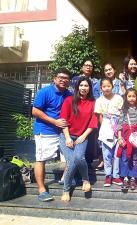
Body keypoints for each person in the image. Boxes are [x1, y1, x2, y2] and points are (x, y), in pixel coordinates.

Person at [32, 68, 72, 202]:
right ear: (54, 78)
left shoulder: (69, 94)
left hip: (62, 132)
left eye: (66, 78)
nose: (63, 80)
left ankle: (63, 179)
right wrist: (54, 121)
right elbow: (35, 111)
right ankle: (42, 190)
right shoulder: (45, 92)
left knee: (71, 156)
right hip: (45, 131)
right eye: (60, 77)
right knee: (41, 158)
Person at [59, 76, 98, 202]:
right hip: (66, 136)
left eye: (86, 85)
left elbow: (93, 122)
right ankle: (66, 190)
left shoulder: (93, 103)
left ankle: (85, 180)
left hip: (82, 137)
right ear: (77, 87)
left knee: (78, 157)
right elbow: (63, 120)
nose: (83, 88)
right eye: (81, 85)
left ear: (90, 88)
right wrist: (67, 138)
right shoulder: (69, 100)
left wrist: (83, 136)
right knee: (71, 162)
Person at [94, 78, 123, 187]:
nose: (106, 88)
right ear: (101, 88)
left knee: (117, 153)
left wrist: (118, 128)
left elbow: (121, 113)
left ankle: (116, 175)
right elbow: (99, 116)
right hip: (106, 126)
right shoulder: (99, 100)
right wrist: (104, 128)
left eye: (108, 86)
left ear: (112, 86)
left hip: (117, 124)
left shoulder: (118, 98)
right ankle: (108, 175)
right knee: (106, 154)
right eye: (104, 86)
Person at [117, 88, 137, 191]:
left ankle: (133, 177)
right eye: (129, 96)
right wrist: (119, 137)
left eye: (133, 96)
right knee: (124, 158)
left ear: (136, 97)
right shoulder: (123, 110)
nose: (131, 98)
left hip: (135, 137)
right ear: (126, 97)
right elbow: (119, 124)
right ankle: (125, 178)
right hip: (125, 136)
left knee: (134, 158)